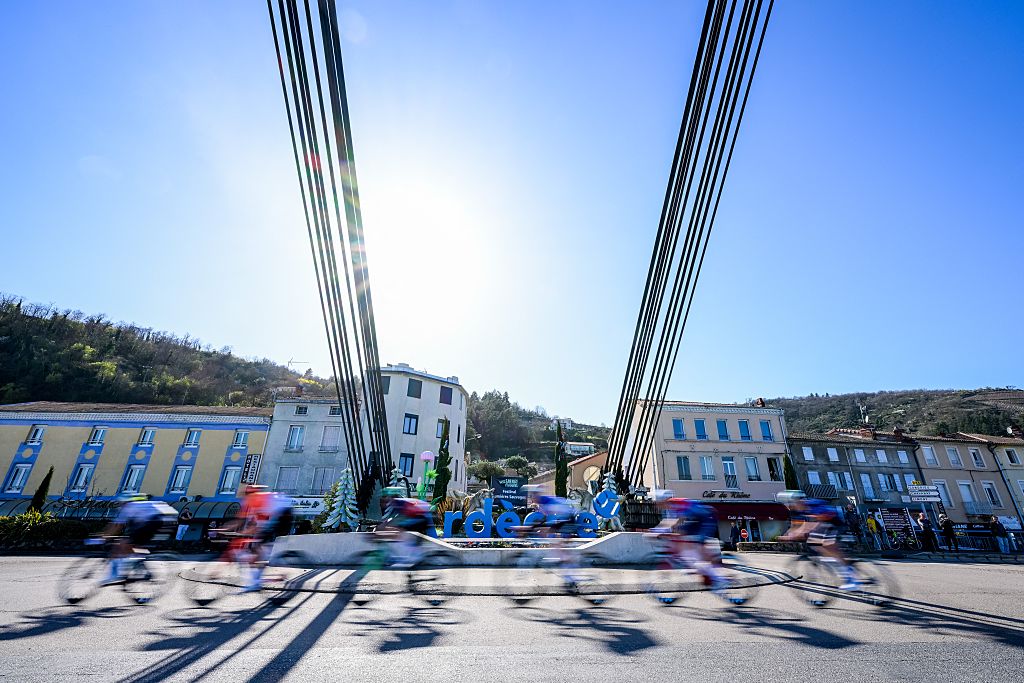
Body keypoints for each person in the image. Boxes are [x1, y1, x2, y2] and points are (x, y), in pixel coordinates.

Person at [778, 491, 859, 590]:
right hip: (825, 524)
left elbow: (813, 524)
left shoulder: (812, 504)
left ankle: (850, 578)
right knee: (819, 546)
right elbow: (795, 526)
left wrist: (798, 534)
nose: (790, 507)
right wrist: (787, 535)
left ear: (797, 501)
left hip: (834, 522)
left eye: (791, 504)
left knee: (828, 547)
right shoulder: (796, 511)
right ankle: (837, 564)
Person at [101, 494, 177, 584]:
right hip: (165, 520)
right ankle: (139, 562)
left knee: (122, 545)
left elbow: (117, 526)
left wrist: (103, 538)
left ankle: (114, 575)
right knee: (133, 545)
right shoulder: (142, 505)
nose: (120, 505)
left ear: (124, 502)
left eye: (120, 503)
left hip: (154, 522)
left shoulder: (128, 507)